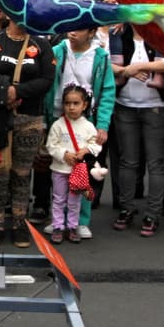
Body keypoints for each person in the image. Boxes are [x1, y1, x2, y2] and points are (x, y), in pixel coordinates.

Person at [0, 13, 55, 249]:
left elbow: (47, 79)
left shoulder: (42, 44)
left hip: (29, 117)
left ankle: (19, 224)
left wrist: (17, 92)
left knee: (21, 173)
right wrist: (1, 93)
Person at [111, 23, 164, 234]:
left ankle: (152, 213)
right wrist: (124, 71)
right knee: (127, 161)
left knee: (156, 162)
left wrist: (141, 67)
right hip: (125, 107)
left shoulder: (162, 33)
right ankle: (126, 208)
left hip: (156, 108)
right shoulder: (118, 34)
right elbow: (102, 60)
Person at [45, 84, 103, 243]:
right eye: (67, 103)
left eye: (76, 103)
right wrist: (64, 154)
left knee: (74, 201)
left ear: (84, 105)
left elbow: (97, 145)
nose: (71, 107)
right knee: (58, 199)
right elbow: (51, 145)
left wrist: (86, 150)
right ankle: (57, 226)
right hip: (59, 170)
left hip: (78, 171)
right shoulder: (58, 124)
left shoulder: (88, 126)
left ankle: (72, 226)